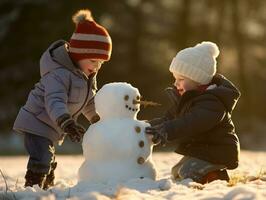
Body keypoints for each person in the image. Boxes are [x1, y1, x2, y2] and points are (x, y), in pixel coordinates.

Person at [13, 9, 112, 189]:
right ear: (78, 55)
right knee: (42, 157)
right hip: (37, 123)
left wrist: (96, 119)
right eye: (92, 60)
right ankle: (32, 188)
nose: (96, 67)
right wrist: (67, 122)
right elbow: (54, 101)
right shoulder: (58, 74)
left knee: (48, 159)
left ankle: (46, 186)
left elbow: (89, 101)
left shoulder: (86, 77)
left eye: (101, 63)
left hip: (52, 126)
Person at [145, 41, 241, 184]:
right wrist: (147, 126)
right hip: (204, 149)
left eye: (181, 79)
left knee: (188, 173)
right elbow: (169, 118)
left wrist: (169, 130)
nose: (176, 83)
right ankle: (210, 173)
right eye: (175, 79)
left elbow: (193, 122)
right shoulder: (187, 99)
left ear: (198, 79)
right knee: (176, 172)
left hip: (218, 150)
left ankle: (216, 179)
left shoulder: (212, 102)